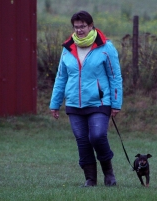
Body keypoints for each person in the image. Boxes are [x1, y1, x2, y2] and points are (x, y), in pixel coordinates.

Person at [49, 11, 123, 187]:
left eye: (83, 26)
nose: (79, 30)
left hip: (100, 102)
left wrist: (116, 102)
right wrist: (55, 103)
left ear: (91, 26)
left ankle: (109, 174)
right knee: (82, 141)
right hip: (74, 103)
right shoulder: (67, 48)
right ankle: (90, 179)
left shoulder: (106, 47)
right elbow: (61, 78)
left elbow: (115, 77)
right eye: (76, 27)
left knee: (97, 136)